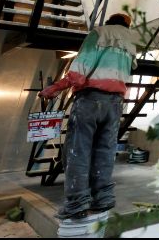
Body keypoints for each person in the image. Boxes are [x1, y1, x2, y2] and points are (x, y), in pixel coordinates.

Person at [39, 13, 137, 220]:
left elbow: (79, 70)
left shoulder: (98, 33)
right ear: (126, 25)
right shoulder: (130, 42)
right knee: (105, 151)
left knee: (78, 150)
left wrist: (54, 88)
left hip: (91, 99)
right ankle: (103, 198)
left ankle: (77, 204)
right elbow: (130, 70)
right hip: (115, 103)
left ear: (110, 21)